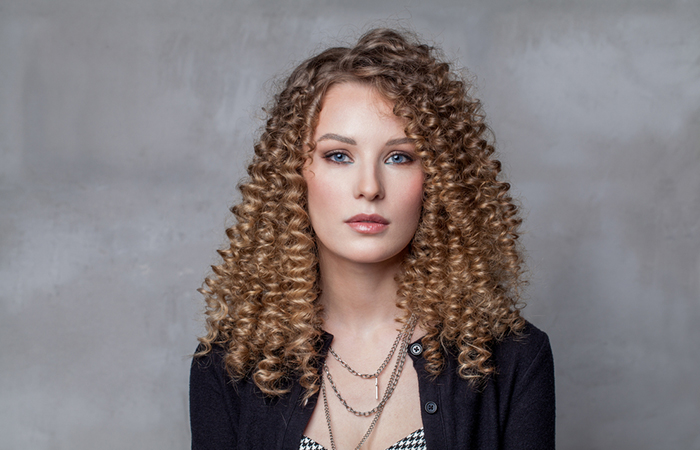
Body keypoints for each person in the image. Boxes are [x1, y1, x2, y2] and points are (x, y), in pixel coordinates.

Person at [189, 28, 555, 450]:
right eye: (338, 156)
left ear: (438, 180)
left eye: (398, 157)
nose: (369, 187)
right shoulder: (229, 365)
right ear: (292, 175)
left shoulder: (512, 360)